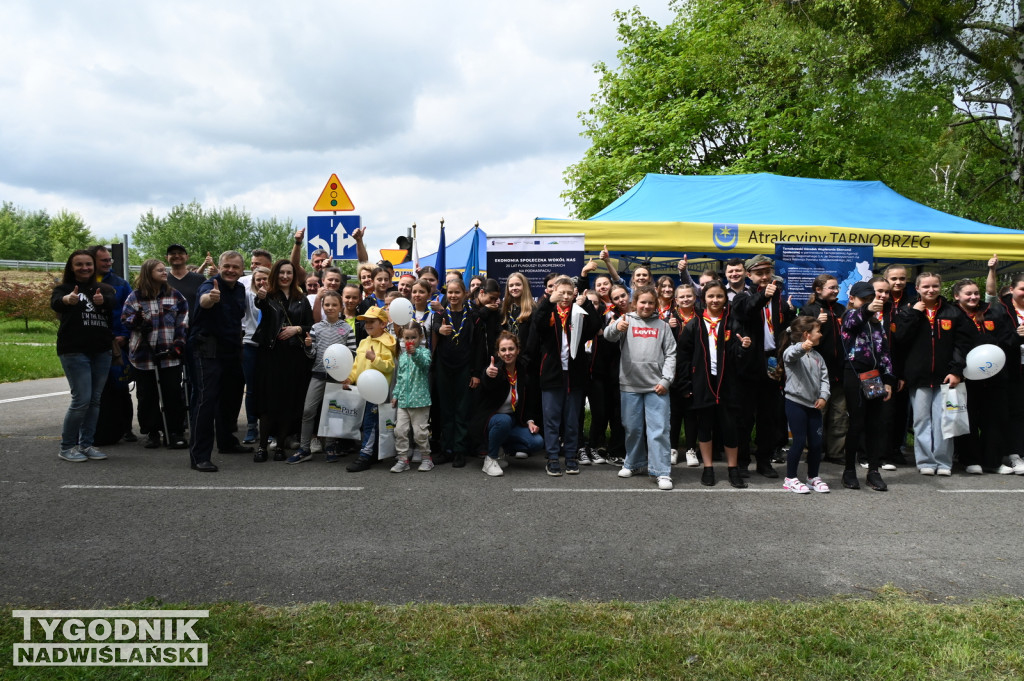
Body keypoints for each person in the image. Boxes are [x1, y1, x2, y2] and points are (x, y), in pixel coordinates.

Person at [676, 281, 751, 488]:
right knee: (705, 427)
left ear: (725, 299)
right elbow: (683, 358)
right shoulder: (694, 325)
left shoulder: (732, 323)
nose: (715, 300)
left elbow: (738, 356)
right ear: (704, 299)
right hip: (702, 382)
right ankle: (708, 468)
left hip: (728, 384)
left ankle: (732, 468)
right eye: (711, 296)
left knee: (730, 428)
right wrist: (685, 385)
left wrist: (743, 348)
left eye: (719, 296)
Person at [895, 272, 969, 476]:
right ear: (917, 288)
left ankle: (943, 462)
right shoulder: (907, 310)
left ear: (940, 287)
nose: (930, 290)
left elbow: (961, 345)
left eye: (934, 286)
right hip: (918, 376)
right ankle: (925, 460)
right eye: (925, 287)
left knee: (944, 420)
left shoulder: (953, 312)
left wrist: (956, 371)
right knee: (921, 421)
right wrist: (914, 315)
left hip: (946, 378)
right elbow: (900, 339)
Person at [604, 285, 677, 490]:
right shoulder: (625, 319)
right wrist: (615, 328)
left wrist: (666, 380)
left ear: (656, 304)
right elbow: (608, 336)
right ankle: (634, 463)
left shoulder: (663, 326)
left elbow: (671, 354)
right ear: (635, 303)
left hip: (657, 387)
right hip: (629, 385)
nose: (646, 306)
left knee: (659, 430)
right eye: (642, 302)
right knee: (633, 428)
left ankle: (661, 471)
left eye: (650, 303)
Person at [188, 250, 253, 472]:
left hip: (232, 349)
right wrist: (210, 299)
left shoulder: (241, 288)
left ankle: (226, 442)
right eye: (227, 266)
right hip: (207, 349)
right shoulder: (209, 286)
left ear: (241, 270)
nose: (231, 270)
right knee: (206, 401)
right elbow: (205, 301)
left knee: (231, 399)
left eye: (235, 267)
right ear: (220, 265)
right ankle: (199, 456)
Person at [532, 276, 602, 476]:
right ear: (553, 291)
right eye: (561, 292)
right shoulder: (549, 311)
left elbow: (594, 327)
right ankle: (553, 457)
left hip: (575, 374)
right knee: (552, 419)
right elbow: (538, 324)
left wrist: (587, 303)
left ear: (574, 295)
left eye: (569, 293)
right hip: (552, 374)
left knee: (572, 420)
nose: (565, 296)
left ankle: (571, 456)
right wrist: (548, 301)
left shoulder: (578, 312)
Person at [731, 255, 794, 478]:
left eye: (768, 272)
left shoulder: (777, 296)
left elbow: (782, 325)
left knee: (769, 417)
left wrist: (789, 312)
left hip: (772, 363)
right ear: (749, 275)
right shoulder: (742, 297)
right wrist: (762, 297)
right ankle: (741, 461)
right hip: (748, 365)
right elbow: (745, 311)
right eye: (759, 273)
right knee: (745, 418)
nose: (765, 277)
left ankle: (764, 461)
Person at [51, 250, 115, 462]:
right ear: (71, 267)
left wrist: (102, 301)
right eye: (79, 264)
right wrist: (68, 300)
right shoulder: (63, 289)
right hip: (74, 351)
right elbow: (56, 303)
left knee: (95, 400)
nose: (84, 268)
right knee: (82, 399)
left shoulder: (105, 289)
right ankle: (67, 446)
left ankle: (86, 444)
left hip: (101, 351)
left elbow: (112, 303)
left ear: (94, 266)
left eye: (88, 264)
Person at [121, 259, 190, 450]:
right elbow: (125, 320)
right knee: (147, 395)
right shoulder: (135, 297)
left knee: (172, 394)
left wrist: (178, 344)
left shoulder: (175, 296)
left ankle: (174, 431)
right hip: (144, 356)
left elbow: (183, 322)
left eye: (164, 269)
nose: (164, 272)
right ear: (148, 273)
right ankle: (152, 432)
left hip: (169, 355)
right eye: (159, 270)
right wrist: (138, 321)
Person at [286, 290, 359, 464]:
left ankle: (331, 446)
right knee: (308, 410)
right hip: (318, 374)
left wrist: (345, 374)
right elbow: (312, 355)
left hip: (337, 377)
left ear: (341, 307)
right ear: (323, 306)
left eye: (334, 304)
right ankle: (305, 448)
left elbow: (353, 353)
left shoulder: (347, 328)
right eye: (327, 304)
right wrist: (309, 346)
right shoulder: (316, 327)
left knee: (333, 412)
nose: (330, 308)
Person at [951, 278, 1015, 474]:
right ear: (957, 296)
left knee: (995, 418)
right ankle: (970, 459)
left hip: (995, 376)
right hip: (966, 377)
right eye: (968, 294)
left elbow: (1007, 339)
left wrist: (1018, 335)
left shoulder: (994, 312)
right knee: (968, 417)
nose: (973, 297)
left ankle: (993, 461)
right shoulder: (952, 314)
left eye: (976, 293)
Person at [253, 259, 314, 462]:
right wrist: (260, 297)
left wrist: (296, 329)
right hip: (271, 354)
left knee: (288, 401)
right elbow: (260, 304)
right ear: (275, 274)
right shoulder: (268, 295)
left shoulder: (301, 299)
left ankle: (280, 445)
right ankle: (262, 446)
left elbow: (310, 325)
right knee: (268, 401)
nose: (285, 276)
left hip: (293, 356)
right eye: (281, 272)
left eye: (289, 273)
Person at [840, 281, 895, 491]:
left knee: (875, 424)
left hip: (874, 377)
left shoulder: (877, 323)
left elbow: (885, 353)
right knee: (856, 423)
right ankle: (849, 470)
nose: (871, 302)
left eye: (872, 299)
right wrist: (866, 308)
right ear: (852, 299)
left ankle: (873, 470)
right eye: (864, 299)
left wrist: (888, 380)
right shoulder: (849, 316)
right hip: (854, 374)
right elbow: (853, 321)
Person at [431, 278, 483, 466]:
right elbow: (433, 328)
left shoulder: (472, 315)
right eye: (450, 293)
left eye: (457, 292)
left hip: (464, 368)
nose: (453, 296)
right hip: (443, 367)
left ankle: (460, 450)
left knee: (462, 409)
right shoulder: (441, 314)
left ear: (465, 294)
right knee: (445, 409)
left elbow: (478, 346)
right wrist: (439, 328)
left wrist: (476, 372)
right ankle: (447, 449)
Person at [477, 332, 544, 476]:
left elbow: (528, 402)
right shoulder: (495, 370)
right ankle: (490, 459)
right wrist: (488, 374)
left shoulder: (523, 371)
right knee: (504, 420)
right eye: (503, 350)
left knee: (536, 442)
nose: (507, 353)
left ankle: (500, 449)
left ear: (518, 350)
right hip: (491, 422)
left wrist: (530, 421)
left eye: (511, 349)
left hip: (512, 421)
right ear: (498, 353)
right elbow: (487, 384)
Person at [89, 244, 136, 443]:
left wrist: (124, 335)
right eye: (104, 260)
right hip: (90, 344)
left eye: (110, 260)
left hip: (117, 343)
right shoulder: (81, 283)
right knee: (93, 389)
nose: (108, 263)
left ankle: (125, 428)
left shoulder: (120, 284)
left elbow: (131, 310)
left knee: (119, 387)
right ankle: (94, 429)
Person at [779, 316, 830, 493]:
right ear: (807, 334)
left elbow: (825, 379)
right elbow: (790, 356)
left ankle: (812, 477)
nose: (821, 335)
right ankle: (790, 478)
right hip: (795, 404)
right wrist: (802, 347)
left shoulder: (818, 357)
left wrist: (823, 396)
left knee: (816, 443)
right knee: (799, 442)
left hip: (814, 405)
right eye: (818, 331)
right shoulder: (792, 351)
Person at [801, 275, 847, 465]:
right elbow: (798, 338)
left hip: (840, 371)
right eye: (831, 287)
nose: (835, 291)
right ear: (818, 289)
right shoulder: (808, 309)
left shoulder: (841, 310)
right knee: (818, 414)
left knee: (840, 415)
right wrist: (814, 322)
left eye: (837, 287)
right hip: (818, 372)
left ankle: (835, 453)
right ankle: (813, 450)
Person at [346, 306, 397, 472]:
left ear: (383, 324)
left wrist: (375, 359)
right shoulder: (364, 342)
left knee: (370, 423)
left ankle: (365, 455)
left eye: (371, 321)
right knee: (367, 422)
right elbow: (356, 365)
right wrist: (350, 378)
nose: (367, 324)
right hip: (362, 389)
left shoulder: (388, 342)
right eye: (366, 321)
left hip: (377, 392)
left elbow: (389, 367)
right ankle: (373, 453)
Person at [389, 322, 434, 473]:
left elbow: (424, 364)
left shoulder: (424, 352)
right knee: (400, 431)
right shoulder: (402, 357)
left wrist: (415, 353)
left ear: (420, 337)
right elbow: (400, 378)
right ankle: (403, 459)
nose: (410, 341)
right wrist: (395, 395)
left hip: (420, 401)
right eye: (406, 338)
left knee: (420, 433)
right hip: (403, 401)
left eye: (413, 337)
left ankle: (426, 458)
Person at [667, 284, 700, 467]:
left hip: (695, 370)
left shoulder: (701, 316)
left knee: (691, 413)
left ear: (694, 297)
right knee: (674, 413)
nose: (686, 299)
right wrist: (668, 326)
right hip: (674, 370)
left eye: (689, 296)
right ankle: (672, 448)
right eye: (682, 297)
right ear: (676, 300)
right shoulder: (669, 317)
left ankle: (690, 449)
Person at [240, 266, 270, 444]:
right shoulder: (246, 294)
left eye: (265, 278)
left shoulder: (276, 296)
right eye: (258, 279)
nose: (261, 282)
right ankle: (252, 427)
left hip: (269, 346)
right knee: (250, 390)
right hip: (251, 344)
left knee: (269, 388)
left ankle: (269, 427)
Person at [164, 244, 207, 318]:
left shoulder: (200, 279)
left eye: (180, 253)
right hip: (169, 327)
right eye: (172, 253)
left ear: (187, 257)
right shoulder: (162, 280)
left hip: (194, 327)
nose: (177, 256)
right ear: (166, 258)